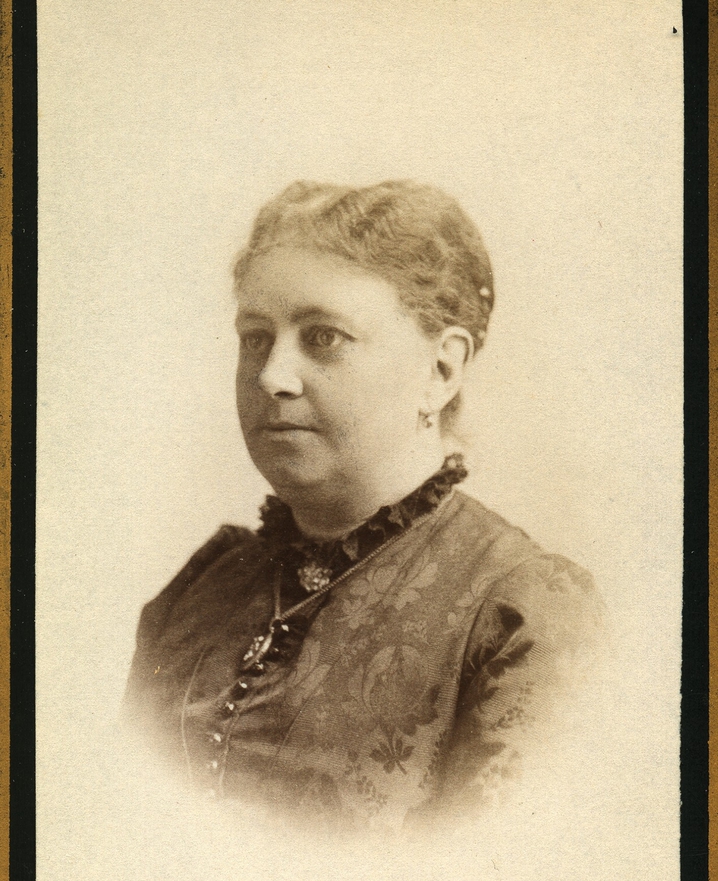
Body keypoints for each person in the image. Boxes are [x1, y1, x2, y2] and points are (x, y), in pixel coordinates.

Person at [124, 180, 604, 833]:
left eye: (323, 337)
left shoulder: (522, 614)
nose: (271, 376)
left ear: (441, 371)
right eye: (256, 337)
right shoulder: (202, 589)